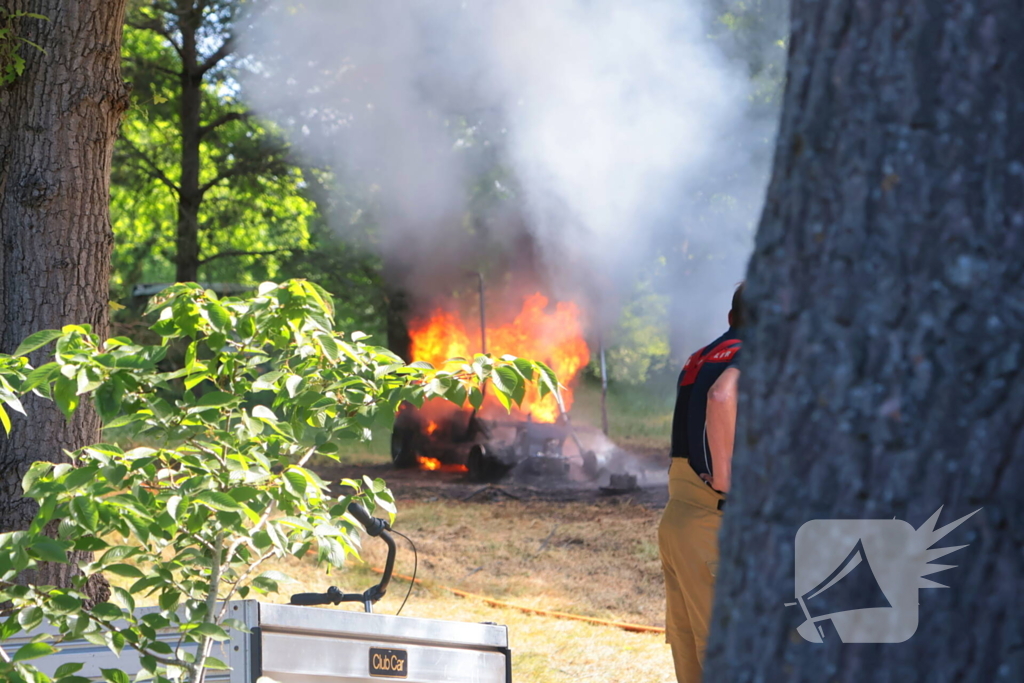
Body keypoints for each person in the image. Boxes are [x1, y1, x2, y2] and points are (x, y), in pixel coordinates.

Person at [659, 283, 744, 681]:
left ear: (731, 318)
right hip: (717, 522)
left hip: (680, 519)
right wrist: (728, 479)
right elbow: (722, 397)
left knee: (692, 649)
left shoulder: (701, 356)